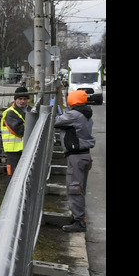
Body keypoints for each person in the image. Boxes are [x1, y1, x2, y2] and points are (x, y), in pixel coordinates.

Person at [54, 90, 95, 233]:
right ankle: (78, 217)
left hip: (77, 156)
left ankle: (79, 221)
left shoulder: (74, 115)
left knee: (74, 188)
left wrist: (55, 111)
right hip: (84, 155)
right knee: (79, 188)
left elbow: (56, 122)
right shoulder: (85, 113)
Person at [0, 86, 33, 177]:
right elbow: (19, 130)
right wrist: (31, 125)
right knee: (13, 175)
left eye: (25, 99)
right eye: (20, 99)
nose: (22, 101)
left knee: (25, 175)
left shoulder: (31, 111)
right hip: (13, 150)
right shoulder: (10, 113)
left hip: (26, 147)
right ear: (15, 99)